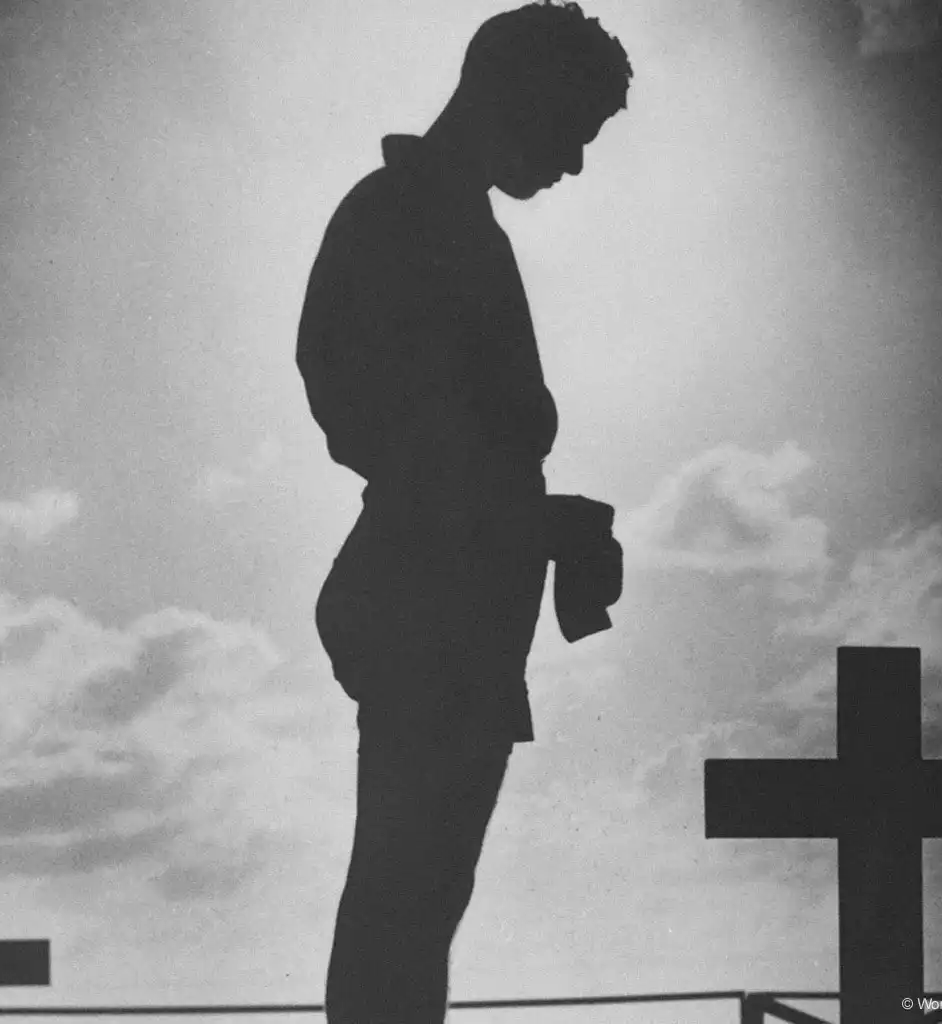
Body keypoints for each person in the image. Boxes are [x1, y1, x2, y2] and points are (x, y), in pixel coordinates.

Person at [296, 3, 632, 1020]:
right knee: (406, 900)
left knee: (421, 899)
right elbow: (385, 422)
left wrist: (539, 522)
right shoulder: (406, 216)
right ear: (512, 93)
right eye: (571, 127)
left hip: (454, 603)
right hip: (426, 602)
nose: (573, 161)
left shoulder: (446, 220)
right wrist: (531, 522)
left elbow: (445, 445)